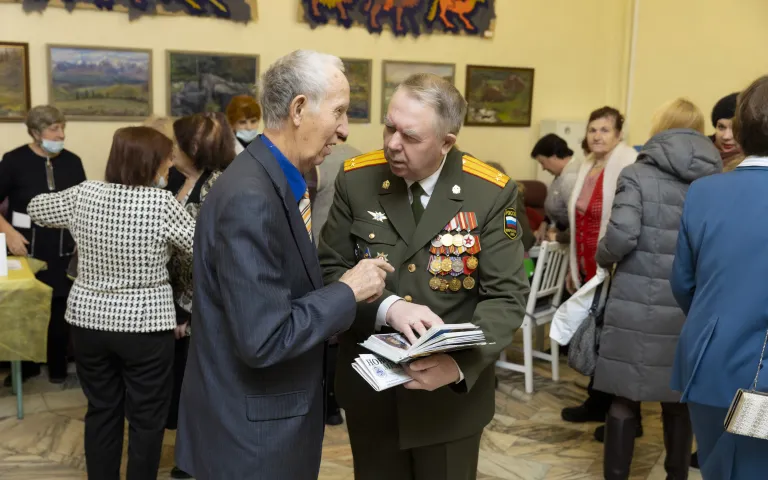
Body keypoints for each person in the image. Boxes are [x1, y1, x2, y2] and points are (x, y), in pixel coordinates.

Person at [174, 50, 392, 480]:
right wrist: (348, 290)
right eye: (339, 112)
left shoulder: (274, 179)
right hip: (252, 442)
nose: (345, 130)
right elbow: (264, 338)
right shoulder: (252, 196)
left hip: (260, 425)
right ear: (298, 109)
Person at [318, 73, 529, 480]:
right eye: (389, 127)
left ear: (446, 142)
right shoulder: (356, 179)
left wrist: (458, 365)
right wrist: (388, 307)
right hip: (372, 394)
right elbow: (330, 268)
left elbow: (506, 297)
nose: (393, 144)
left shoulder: (489, 192)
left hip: (449, 403)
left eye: (410, 136)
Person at [26, 126, 195, 480]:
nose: (169, 166)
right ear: (150, 162)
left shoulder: (85, 194)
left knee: (102, 409)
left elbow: (36, 208)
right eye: (166, 160)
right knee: (147, 418)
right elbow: (201, 244)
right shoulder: (161, 203)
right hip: (146, 326)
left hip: (88, 323)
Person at [594, 98, 721, 479]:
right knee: (678, 400)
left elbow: (622, 236)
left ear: (659, 127)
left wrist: (602, 256)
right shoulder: (715, 179)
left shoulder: (637, 174)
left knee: (624, 398)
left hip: (636, 302)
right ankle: (676, 475)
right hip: (690, 303)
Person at [671, 76, 768, 480]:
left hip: (709, 363)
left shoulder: (704, 192)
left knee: (719, 468)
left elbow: (683, 283)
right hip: (757, 376)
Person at [559, 107, 638, 442]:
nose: (597, 136)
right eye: (593, 129)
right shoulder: (587, 165)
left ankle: (622, 414)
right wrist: (572, 266)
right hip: (586, 262)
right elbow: (577, 220)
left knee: (612, 342)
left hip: (615, 265)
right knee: (596, 336)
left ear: (619, 134)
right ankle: (598, 402)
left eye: (605, 130)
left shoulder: (629, 164)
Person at [165, 112, 236, 480]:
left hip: (204, 308)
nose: (170, 149)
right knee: (186, 389)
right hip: (177, 303)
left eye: (176, 143)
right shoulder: (177, 180)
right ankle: (189, 457)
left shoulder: (219, 187)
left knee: (205, 390)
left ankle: (203, 461)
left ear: (194, 147)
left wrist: (190, 312)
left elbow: (216, 257)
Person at [0, 105, 86, 385]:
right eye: (54, 129)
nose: (61, 135)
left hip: (63, 249)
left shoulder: (73, 162)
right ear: (36, 133)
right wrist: (9, 233)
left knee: (60, 310)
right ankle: (25, 368)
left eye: (63, 128)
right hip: (25, 248)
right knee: (26, 309)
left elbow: (82, 206)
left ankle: (58, 367)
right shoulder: (13, 160)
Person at [302, 133, 362, 427]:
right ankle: (333, 406)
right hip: (348, 253)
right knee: (337, 330)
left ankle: (323, 403)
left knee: (324, 330)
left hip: (317, 250)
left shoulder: (314, 158)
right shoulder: (358, 157)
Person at [529, 133, 580, 242]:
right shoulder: (561, 174)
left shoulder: (571, 178)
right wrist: (544, 223)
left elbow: (578, 221)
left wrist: (557, 236)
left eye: (542, 162)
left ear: (554, 156)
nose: (543, 168)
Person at [710, 92, 744, 172]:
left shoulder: (756, 162)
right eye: (721, 127)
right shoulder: (698, 153)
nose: (726, 136)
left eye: (735, 128)